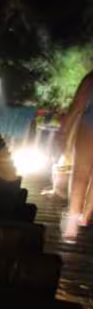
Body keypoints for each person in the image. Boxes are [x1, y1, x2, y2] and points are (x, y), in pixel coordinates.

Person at [60, 69, 93, 240]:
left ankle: (72, 225)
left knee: (80, 173)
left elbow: (77, 106)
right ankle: (85, 216)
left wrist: (64, 131)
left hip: (90, 124)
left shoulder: (91, 78)